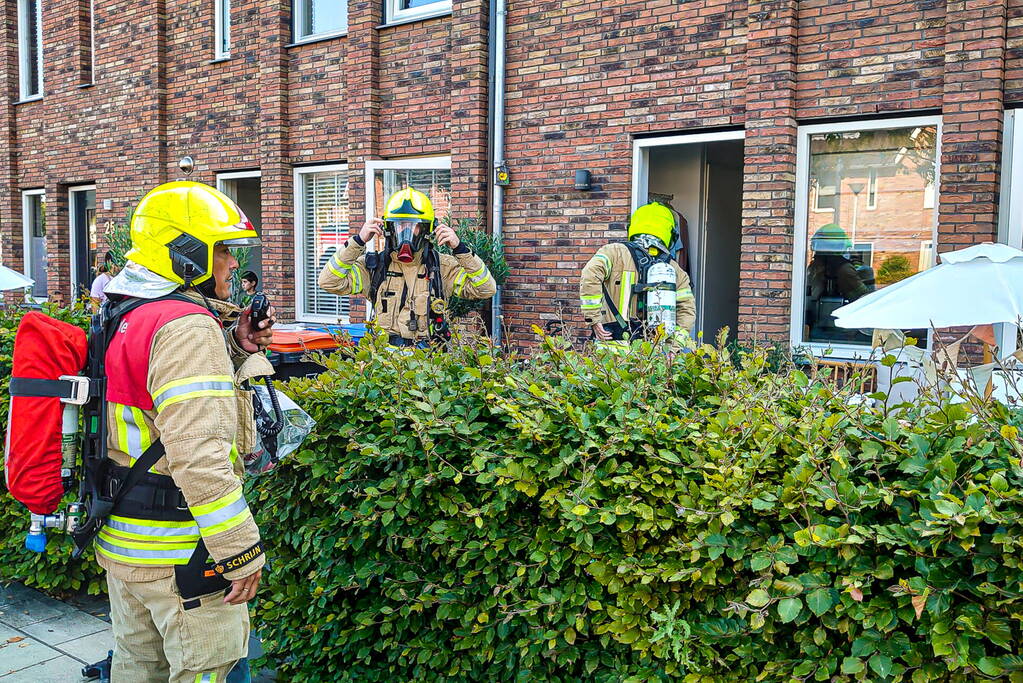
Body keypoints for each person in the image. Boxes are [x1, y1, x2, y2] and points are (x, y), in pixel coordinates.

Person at [97, 181, 274, 682]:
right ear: (188, 255)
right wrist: (239, 551)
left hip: (125, 545)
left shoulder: (123, 310)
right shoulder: (186, 328)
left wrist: (234, 348)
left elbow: (151, 408)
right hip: (181, 557)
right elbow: (200, 457)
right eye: (223, 252)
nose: (233, 266)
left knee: (136, 668)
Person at [318, 188, 496, 346]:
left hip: (429, 363)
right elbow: (329, 282)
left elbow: (486, 288)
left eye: (414, 226)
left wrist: (460, 249)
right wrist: (358, 241)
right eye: (400, 225)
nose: (406, 232)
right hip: (386, 362)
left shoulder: (442, 267)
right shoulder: (374, 267)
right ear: (389, 229)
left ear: (426, 230)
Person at [579, 202, 696, 342]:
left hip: (610, 351)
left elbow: (589, 275)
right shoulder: (674, 269)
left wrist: (593, 319)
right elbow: (687, 311)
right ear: (670, 234)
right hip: (651, 354)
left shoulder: (613, 252)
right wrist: (673, 349)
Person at [805, 223, 875, 342]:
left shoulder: (844, 270)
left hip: (837, 331)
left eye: (818, 248)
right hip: (820, 325)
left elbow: (863, 301)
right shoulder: (816, 268)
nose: (816, 253)